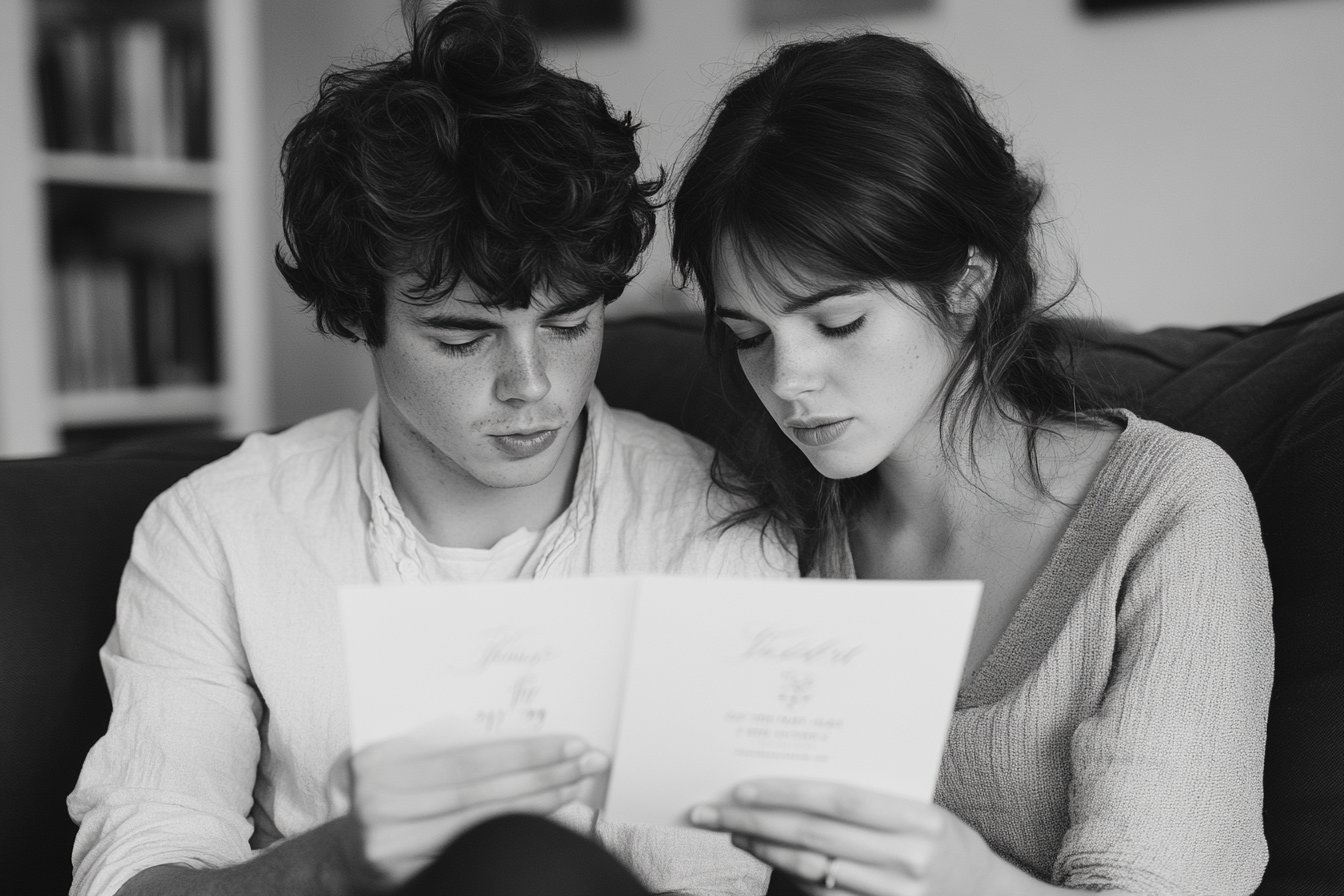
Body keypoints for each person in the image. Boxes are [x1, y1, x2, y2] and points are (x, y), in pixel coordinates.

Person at [67, 4, 793, 895]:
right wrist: (343, 859)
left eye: (567, 324)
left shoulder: (715, 530)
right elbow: (135, 872)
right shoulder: (219, 531)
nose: (533, 385)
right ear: (357, 315)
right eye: (462, 338)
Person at [671, 32, 1273, 896]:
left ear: (966, 284)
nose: (787, 381)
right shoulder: (779, 544)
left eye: (838, 324)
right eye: (747, 336)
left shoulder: (1169, 509)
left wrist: (954, 875)